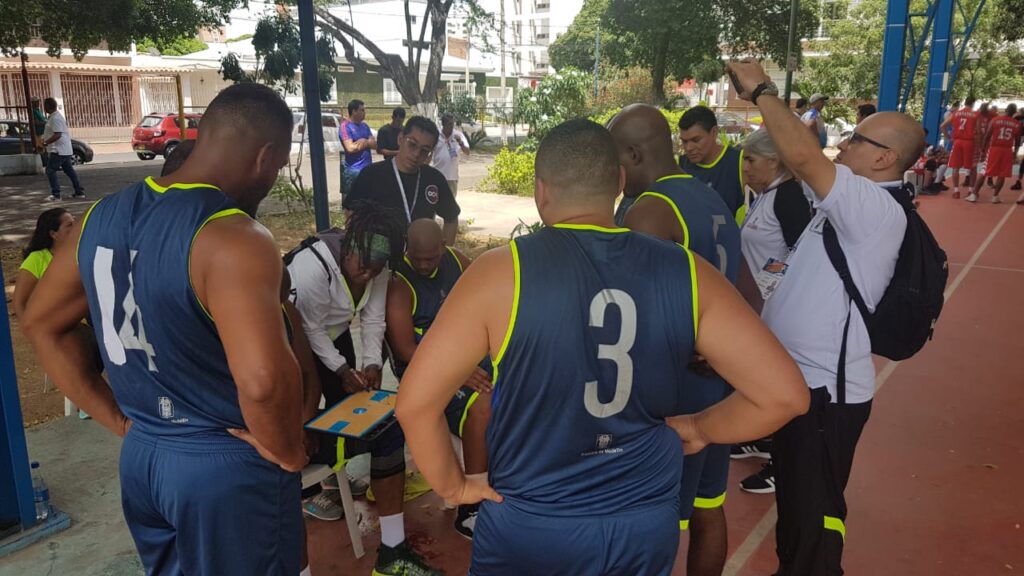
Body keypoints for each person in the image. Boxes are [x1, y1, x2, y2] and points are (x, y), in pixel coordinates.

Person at [396, 118, 809, 576]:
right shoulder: (687, 271)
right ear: (618, 181)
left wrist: (454, 489)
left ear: (540, 190)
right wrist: (701, 427)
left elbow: (415, 405)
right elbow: (786, 395)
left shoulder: (500, 272)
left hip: (532, 523)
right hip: (643, 524)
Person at [21, 83, 308, 575]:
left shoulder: (99, 217)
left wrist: (118, 421)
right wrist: (288, 450)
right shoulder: (236, 236)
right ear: (265, 157)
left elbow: (40, 322)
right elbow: (262, 383)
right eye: (278, 165)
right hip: (223, 462)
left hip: (144, 460)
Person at [727, 58, 923, 576]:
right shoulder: (849, 204)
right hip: (803, 383)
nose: (843, 146)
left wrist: (762, 90)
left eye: (856, 139)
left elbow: (800, 153)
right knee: (797, 510)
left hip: (825, 393)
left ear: (885, 159)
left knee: (814, 520)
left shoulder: (873, 206)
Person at [609, 103, 743, 576]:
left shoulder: (648, 213)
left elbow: (629, 324)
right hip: (720, 387)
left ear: (633, 155)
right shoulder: (713, 200)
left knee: (659, 521)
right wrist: (721, 348)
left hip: (672, 393)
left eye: (615, 165)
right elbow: (747, 298)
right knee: (709, 506)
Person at [286, 203, 442, 575]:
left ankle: (391, 549)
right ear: (349, 242)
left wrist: (370, 363)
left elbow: (372, 318)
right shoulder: (311, 269)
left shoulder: (378, 267)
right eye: (362, 262)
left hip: (334, 336)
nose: (367, 272)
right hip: (304, 343)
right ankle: (311, 489)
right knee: (308, 420)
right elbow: (307, 333)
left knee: (374, 419)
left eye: (376, 267)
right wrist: (341, 369)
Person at [385, 218, 492, 540]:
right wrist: (457, 372)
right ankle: (469, 509)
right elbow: (405, 349)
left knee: (521, 382)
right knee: (483, 405)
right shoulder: (399, 284)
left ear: (443, 248)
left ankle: (506, 475)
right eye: (416, 257)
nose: (422, 264)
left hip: (462, 356)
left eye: (430, 258)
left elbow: (486, 294)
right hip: (425, 368)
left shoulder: (458, 261)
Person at [731, 127, 814, 496]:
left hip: (779, 309)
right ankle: (764, 438)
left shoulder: (789, 198)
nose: (745, 167)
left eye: (750, 159)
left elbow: (802, 253)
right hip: (760, 308)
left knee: (780, 381)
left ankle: (782, 465)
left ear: (774, 160)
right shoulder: (765, 195)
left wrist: (768, 284)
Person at [343, 116, 461, 245]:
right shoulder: (372, 174)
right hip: (381, 259)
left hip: (419, 259)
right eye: (412, 144)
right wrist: (361, 248)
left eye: (424, 150)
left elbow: (451, 218)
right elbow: (351, 212)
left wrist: (444, 253)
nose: (416, 154)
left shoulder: (434, 179)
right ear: (400, 139)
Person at [677, 105, 747, 221]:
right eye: (684, 141)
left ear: (714, 133)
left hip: (729, 238)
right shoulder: (679, 165)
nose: (689, 147)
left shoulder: (740, 162)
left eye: (696, 140)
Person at [13, 208, 74, 320]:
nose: (76, 228)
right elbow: (19, 303)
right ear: (53, 234)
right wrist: (32, 332)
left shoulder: (81, 254)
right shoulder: (37, 259)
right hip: (52, 327)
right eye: (69, 225)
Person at [40, 97, 84, 201]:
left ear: (47, 107)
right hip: (62, 149)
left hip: (59, 150)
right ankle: (79, 192)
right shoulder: (53, 117)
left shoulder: (55, 118)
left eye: (44, 106)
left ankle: (56, 194)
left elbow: (57, 134)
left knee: (50, 170)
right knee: (69, 170)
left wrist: (45, 143)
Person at [979, 103, 1020, 204]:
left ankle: (974, 194)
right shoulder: (1017, 124)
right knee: (1002, 174)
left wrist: (983, 149)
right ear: (1014, 113)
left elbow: (988, 135)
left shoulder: (995, 120)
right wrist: (1015, 154)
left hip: (994, 148)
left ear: (1005, 109)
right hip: (1007, 150)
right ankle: (995, 196)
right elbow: (1018, 142)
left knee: (984, 171)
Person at [940, 96, 978, 199]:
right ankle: (971, 190)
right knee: (973, 167)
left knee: (955, 167)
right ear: (973, 103)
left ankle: (956, 191)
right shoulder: (975, 114)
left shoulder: (955, 113)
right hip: (969, 142)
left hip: (957, 142)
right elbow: (979, 131)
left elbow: (942, 126)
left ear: (965, 102)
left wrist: (948, 138)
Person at [340, 99, 377, 202]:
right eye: (362, 110)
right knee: (352, 202)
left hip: (368, 169)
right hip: (353, 171)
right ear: (354, 111)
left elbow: (374, 144)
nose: (364, 113)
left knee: (367, 201)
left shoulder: (365, 126)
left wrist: (363, 141)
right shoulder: (345, 127)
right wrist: (367, 143)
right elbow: (350, 148)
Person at [431, 113, 471, 196]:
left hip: (452, 177)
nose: (452, 126)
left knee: (451, 205)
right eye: (449, 124)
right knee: (436, 202)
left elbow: (467, 152)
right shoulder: (436, 135)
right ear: (443, 124)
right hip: (437, 176)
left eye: (453, 124)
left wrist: (461, 143)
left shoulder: (458, 135)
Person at [968, 102, 995, 201]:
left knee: (985, 164)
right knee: (973, 163)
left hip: (986, 141)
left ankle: (989, 179)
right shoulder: (976, 114)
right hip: (977, 140)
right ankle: (970, 183)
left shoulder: (992, 115)